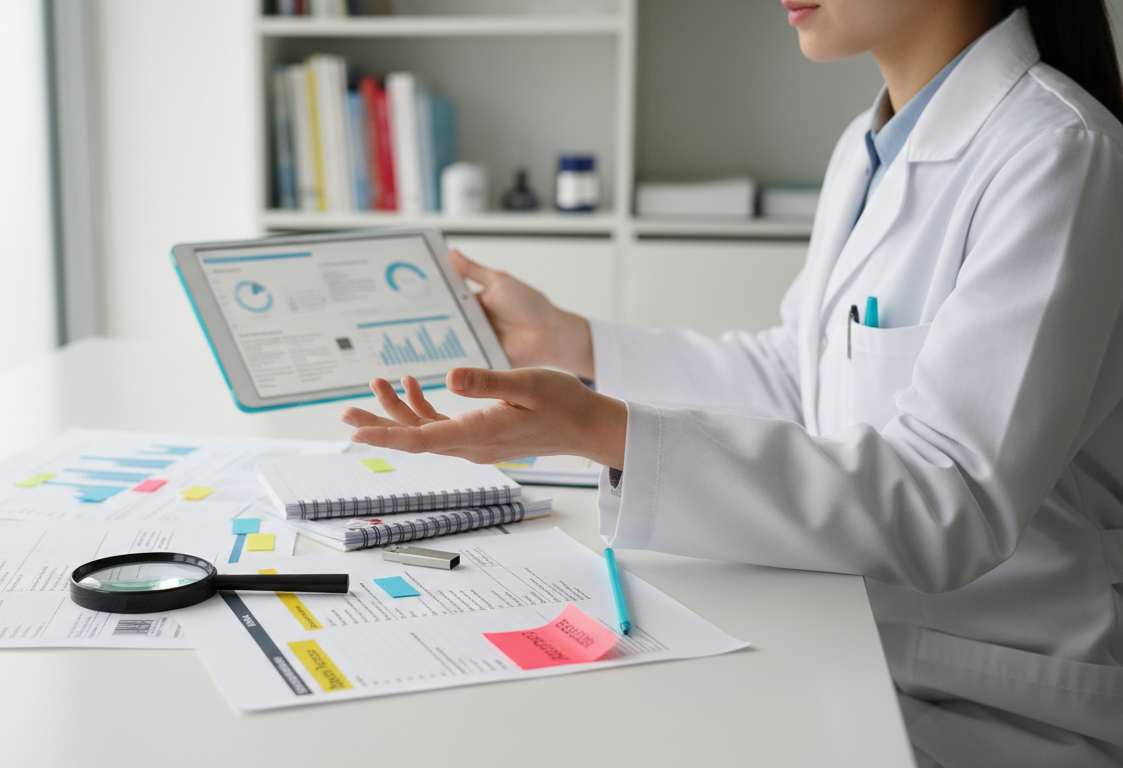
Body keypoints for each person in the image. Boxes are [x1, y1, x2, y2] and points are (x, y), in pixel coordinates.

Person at [339, 1, 1123, 765]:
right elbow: (797, 378)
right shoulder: (868, 143)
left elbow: (949, 501)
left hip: (1004, 693)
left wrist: (599, 429)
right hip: (864, 639)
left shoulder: (1060, 150)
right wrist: (565, 341)